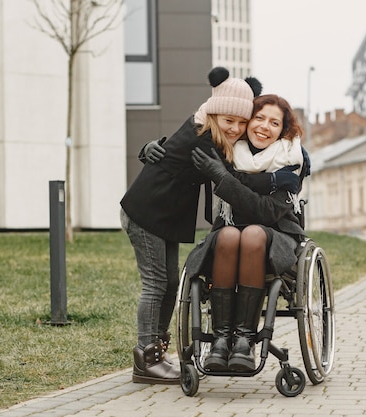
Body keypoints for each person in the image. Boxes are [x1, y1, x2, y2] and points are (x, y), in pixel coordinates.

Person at [120, 67, 298, 385]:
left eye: (242, 123)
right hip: (146, 212)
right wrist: (276, 179)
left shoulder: (213, 132)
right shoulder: (204, 136)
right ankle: (146, 357)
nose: (236, 129)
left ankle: (157, 352)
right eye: (229, 121)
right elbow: (231, 176)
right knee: (156, 284)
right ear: (215, 114)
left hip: (164, 215)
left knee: (170, 284)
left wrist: (290, 170)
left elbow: (232, 161)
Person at [187, 94, 308, 372]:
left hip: (275, 237)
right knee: (230, 235)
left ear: (283, 130)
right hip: (228, 238)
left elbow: (265, 212)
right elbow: (191, 136)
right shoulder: (227, 151)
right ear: (247, 122)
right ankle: (220, 340)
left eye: (274, 123)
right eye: (259, 118)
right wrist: (154, 149)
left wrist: (224, 179)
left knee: (253, 233)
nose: (265, 126)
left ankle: (243, 341)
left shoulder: (291, 160)